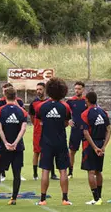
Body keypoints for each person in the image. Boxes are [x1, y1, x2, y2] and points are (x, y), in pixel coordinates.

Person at [35, 77, 73, 206]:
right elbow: (66, 123)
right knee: (63, 170)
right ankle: (65, 199)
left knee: (45, 170)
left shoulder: (41, 106)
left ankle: (42, 199)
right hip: (61, 142)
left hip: (46, 142)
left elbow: (40, 122)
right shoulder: (65, 107)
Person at [0, 87, 28, 205]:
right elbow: (23, 129)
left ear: (5, 96)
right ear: (16, 97)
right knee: (17, 173)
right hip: (18, 147)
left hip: (3, 148)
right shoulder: (22, 111)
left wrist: (6, 142)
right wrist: (15, 143)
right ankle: (14, 199)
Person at [81, 91, 111, 205]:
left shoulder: (85, 114)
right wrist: (103, 147)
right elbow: (109, 130)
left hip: (90, 145)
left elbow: (86, 133)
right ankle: (99, 197)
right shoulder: (103, 112)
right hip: (101, 143)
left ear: (87, 100)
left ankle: (96, 198)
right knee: (98, 171)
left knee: (91, 171)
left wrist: (94, 147)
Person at [29, 82, 57, 181]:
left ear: (45, 90)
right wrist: (37, 126)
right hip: (38, 132)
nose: (38, 91)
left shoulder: (50, 102)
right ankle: (35, 174)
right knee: (36, 152)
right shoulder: (33, 103)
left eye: (40, 89)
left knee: (51, 152)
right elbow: (32, 118)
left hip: (49, 132)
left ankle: (53, 173)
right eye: (37, 89)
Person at [66, 81, 87, 179]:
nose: (77, 90)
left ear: (83, 89)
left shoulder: (87, 101)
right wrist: (68, 120)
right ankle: (70, 172)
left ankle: (90, 171)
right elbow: (64, 113)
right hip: (75, 130)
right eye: (75, 89)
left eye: (79, 89)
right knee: (72, 151)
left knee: (87, 151)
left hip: (86, 130)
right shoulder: (70, 101)